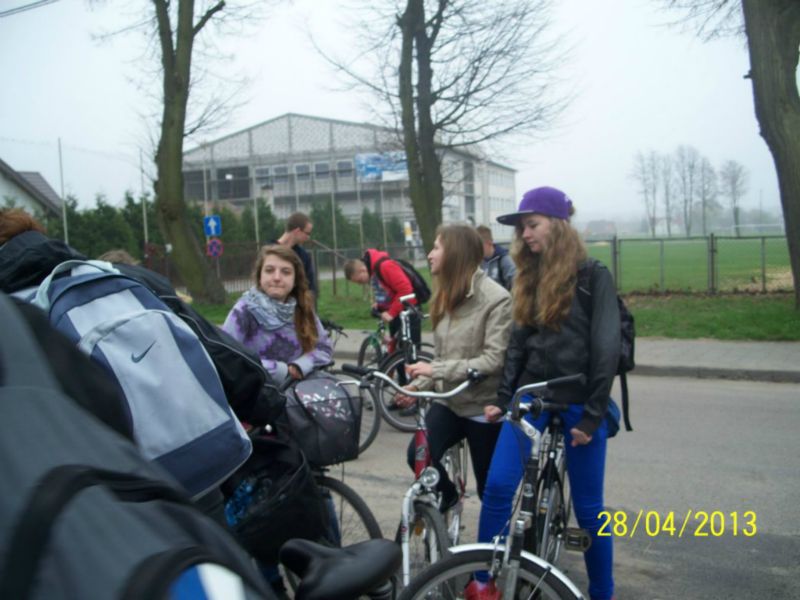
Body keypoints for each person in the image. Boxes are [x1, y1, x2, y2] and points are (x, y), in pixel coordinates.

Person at [468, 187, 619, 600]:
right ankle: (482, 581)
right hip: (531, 397)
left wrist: (593, 415)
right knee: (498, 488)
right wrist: (504, 399)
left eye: (532, 225)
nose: (525, 234)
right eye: (521, 228)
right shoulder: (527, 275)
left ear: (559, 224)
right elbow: (517, 344)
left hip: (580, 400)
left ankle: (603, 592)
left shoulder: (593, 276)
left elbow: (606, 348)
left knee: (589, 509)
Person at [394, 224, 512, 511]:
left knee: (489, 491)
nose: (430, 254)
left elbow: (493, 360)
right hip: (449, 402)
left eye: (436, 247)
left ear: (455, 253)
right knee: (418, 456)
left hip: (482, 407)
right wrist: (416, 386)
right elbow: (441, 359)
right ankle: (447, 497)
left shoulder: (497, 300)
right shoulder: (445, 296)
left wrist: (434, 372)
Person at [222, 244, 332, 385]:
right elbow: (227, 355)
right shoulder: (244, 311)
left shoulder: (303, 308)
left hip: (295, 393)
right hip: (255, 393)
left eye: (286, 272)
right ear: (260, 276)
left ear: (295, 279)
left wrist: (300, 366)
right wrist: (280, 370)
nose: (277, 277)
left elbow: (324, 348)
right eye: (269, 270)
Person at [344, 249, 422, 350]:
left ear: (362, 270)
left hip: (408, 312)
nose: (361, 284)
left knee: (409, 354)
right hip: (397, 313)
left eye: (359, 281)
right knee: (396, 352)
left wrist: (391, 313)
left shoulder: (385, 266)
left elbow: (406, 291)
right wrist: (380, 305)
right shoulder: (374, 272)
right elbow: (388, 291)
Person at [273, 212, 317, 300]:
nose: (308, 237)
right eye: (307, 233)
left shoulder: (304, 256)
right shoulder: (268, 252)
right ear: (297, 231)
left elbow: (310, 288)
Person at [476, 225, 515, 290]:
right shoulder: (478, 262)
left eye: (479, 246)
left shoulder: (505, 260)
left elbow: (515, 286)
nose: (477, 249)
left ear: (489, 243)